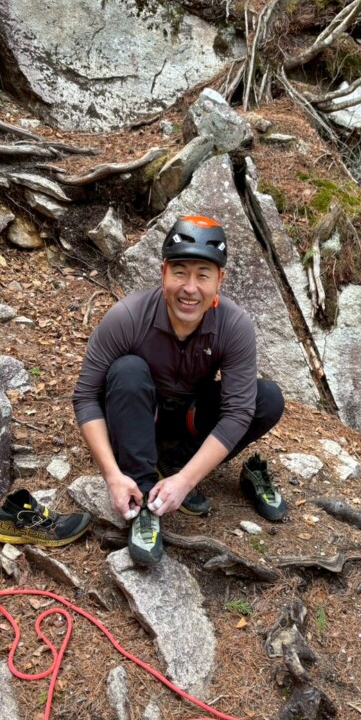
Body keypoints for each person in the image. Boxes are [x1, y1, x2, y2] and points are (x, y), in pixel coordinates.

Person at [72, 214, 286, 566]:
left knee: (266, 399)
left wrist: (186, 480)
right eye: (180, 273)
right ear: (163, 273)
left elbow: (237, 412)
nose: (190, 288)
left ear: (220, 280)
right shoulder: (127, 317)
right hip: (136, 410)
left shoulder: (234, 326)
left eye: (203, 275)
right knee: (128, 370)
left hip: (190, 415)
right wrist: (112, 475)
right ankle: (141, 494)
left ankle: (178, 462)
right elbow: (85, 397)